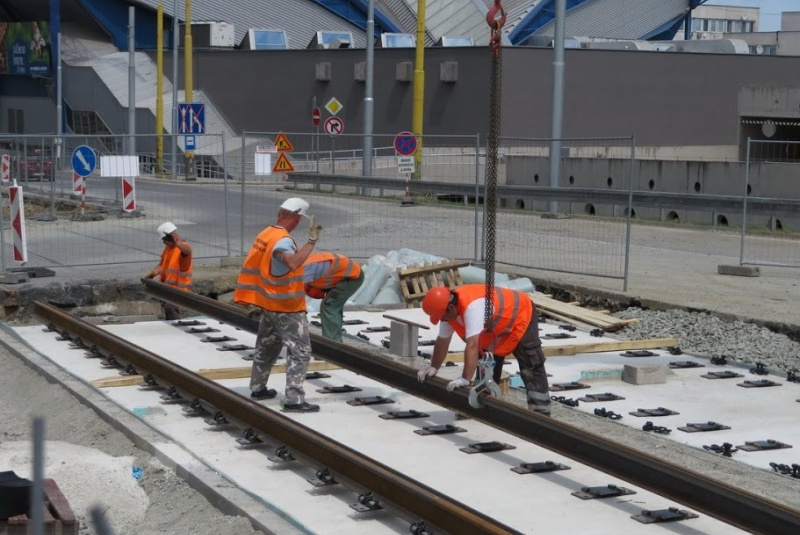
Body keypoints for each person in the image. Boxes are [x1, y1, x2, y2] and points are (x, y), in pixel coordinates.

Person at [234, 197, 323, 413]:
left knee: (267, 346)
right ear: (297, 217)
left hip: (268, 303)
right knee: (300, 350)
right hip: (287, 307)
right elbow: (291, 263)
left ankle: (257, 387)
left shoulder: (266, 234)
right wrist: (311, 242)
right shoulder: (282, 240)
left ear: (280, 213)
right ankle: (294, 399)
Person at [416, 284, 551, 416]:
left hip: (520, 314)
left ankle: (541, 410)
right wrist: (433, 367)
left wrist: (464, 379)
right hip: (496, 326)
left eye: (441, 317)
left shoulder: (473, 307)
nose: (442, 320)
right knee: (486, 361)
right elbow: (443, 340)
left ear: (451, 308)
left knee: (529, 362)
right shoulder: (447, 311)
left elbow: (472, 345)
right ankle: (482, 402)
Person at [304, 252, 364, 342]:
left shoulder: (305, 270)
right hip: (347, 274)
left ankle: (332, 342)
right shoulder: (302, 261)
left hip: (351, 277)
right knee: (334, 305)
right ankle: (335, 338)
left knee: (329, 305)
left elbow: (295, 296)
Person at [145, 222, 193, 320]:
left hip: (178, 290)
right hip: (168, 288)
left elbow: (188, 251)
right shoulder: (168, 249)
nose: (163, 242)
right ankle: (174, 326)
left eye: (164, 239)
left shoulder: (182, 248)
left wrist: (176, 242)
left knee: (170, 307)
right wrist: (152, 273)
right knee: (168, 308)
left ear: (169, 237)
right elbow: (162, 265)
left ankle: (176, 329)